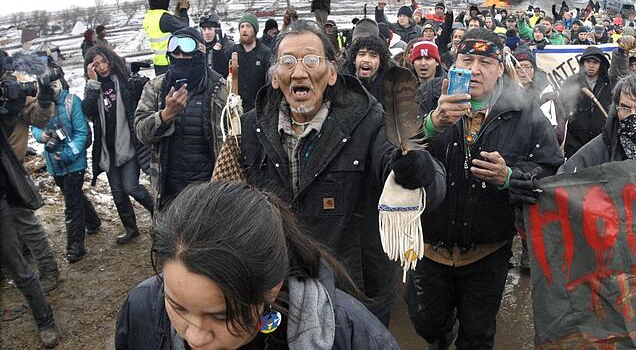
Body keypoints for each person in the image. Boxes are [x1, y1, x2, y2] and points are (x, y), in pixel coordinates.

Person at [240, 20, 445, 325]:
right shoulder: (249, 127)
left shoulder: (370, 119)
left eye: (311, 60)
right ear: (274, 77)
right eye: (287, 62)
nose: (299, 72)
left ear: (332, 72)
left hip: (354, 291)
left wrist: (417, 170)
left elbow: (431, 186)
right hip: (280, 293)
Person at [410, 28, 563, 349]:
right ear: (454, 64)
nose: (475, 69)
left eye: (485, 62)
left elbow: (550, 171)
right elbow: (394, 151)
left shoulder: (524, 112)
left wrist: (509, 177)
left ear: (499, 68)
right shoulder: (426, 97)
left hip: (487, 252)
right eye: (467, 60)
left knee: (478, 335)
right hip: (428, 245)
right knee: (427, 323)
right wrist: (432, 124)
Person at [115, 181, 401, 349]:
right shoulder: (142, 309)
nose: (195, 337)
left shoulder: (350, 334)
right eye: (178, 307)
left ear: (271, 290)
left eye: (220, 315)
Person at [0, 53, 60, 347]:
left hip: (9, 172)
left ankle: (48, 271)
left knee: (26, 228)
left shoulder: (11, 84)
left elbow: (39, 115)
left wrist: (46, 95)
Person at [135, 27, 228, 211]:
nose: (180, 57)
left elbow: (231, 139)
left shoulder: (220, 88)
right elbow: (140, 132)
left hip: (207, 191)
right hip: (169, 190)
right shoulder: (156, 87)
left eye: (185, 52)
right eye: (175, 52)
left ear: (199, 52)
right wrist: (165, 115)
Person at [83, 45, 154, 244]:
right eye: (96, 65)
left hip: (128, 144)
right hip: (108, 148)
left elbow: (140, 97)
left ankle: (158, 213)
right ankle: (131, 228)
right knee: (117, 193)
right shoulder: (93, 86)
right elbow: (88, 111)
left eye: (104, 61)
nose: (102, 67)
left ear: (111, 60)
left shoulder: (123, 81)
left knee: (131, 186)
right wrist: (92, 84)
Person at [31, 70, 101, 262]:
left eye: (53, 83)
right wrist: (41, 136)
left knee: (72, 205)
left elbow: (81, 132)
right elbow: (35, 124)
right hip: (54, 164)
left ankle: (75, 247)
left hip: (74, 162)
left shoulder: (72, 102)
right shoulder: (40, 103)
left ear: (60, 81)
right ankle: (93, 221)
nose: (50, 87)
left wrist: (69, 154)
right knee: (74, 196)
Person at [559, 46, 615, 158]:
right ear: (583, 63)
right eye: (588, 61)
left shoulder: (608, 83)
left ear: (601, 64)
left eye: (595, 62)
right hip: (575, 141)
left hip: (601, 140)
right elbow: (562, 109)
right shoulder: (572, 81)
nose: (591, 66)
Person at [143, 0, 190, 75]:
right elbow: (185, 27)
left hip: (159, 63)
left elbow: (170, 26)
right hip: (171, 63)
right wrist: (183, 10)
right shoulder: (164, 18)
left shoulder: (150, 16)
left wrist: (177, 13)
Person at [232, 13, 271, 113]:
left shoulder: (265, 53)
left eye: (248, 26)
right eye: (242, 26)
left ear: (255, 30)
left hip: (257, 109)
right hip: (236, 109)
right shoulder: (233, 52)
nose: (244, 30)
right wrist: (217, 53)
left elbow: (269, 83)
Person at [342, 28, 393, 100]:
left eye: (373, 56)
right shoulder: (341, 84)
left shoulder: (392, 87)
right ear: (354, 59)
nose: (366, 60)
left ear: (380, 62)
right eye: (362, 54)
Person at [200, 13, 232, 78]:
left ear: (217, 30)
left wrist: (218, 53)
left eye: (210, 28)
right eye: (204, 29)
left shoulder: (229, 47)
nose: (206, 32)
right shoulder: (199, 48)